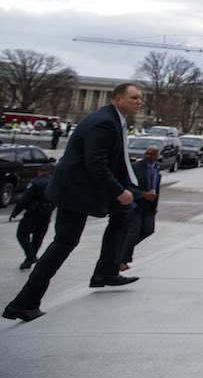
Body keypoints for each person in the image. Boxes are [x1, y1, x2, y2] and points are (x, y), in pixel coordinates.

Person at [3, 83, 140, 322]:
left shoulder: (112, 120)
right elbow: (95, 163)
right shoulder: (105, 123)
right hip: (75, 192)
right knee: (64, 243)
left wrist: (126, 190)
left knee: (124, 213)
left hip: (81, 189)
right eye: (134, 97)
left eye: (140, 98)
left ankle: (106, 271)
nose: (139, 102)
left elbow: (112, 161)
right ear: (117, 99)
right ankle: (23, 303)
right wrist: (119, 191)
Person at [120, 145, 161, 272]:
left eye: (151, 154)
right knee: (133, 232)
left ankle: (121, 250)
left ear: (156, 156)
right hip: (135, 204)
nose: (148, 156)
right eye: (147, 153)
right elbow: (127, 186)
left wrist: (155, 205)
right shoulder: (136, 167)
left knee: (148, 229)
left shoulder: (157, 168)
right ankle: (122, 260)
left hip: (149, 205)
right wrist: (143, 194)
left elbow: (157, 187)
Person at [10, 165, 54, 270]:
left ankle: (30, 256)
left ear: (39, 171)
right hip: (47, 212)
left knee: (22, 234)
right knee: (38, 236)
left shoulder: (36, 182)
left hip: (34, 211)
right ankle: (29, 261)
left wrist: (15, 212)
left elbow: (25, 199)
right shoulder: (54, 181)